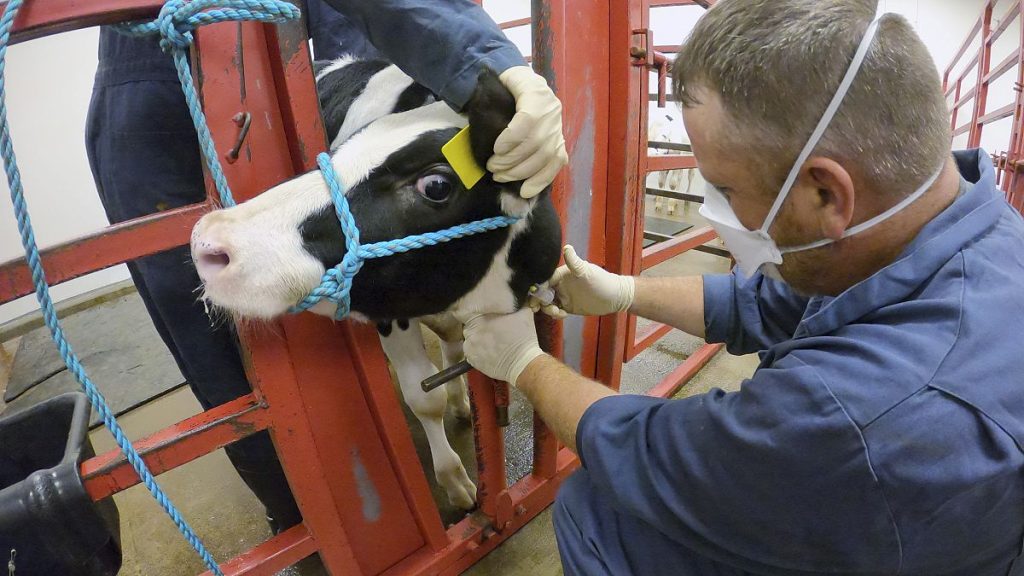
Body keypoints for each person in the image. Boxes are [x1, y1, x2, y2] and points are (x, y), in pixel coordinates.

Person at [460, 0, 1024, 574]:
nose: (715, 211)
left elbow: (646, 452)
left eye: (724, 188)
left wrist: (523, 361)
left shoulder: (857, 415)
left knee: (600, 508)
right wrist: (627, 291)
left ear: (826, 194)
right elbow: (774, 304)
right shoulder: (964, 227)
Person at [85, 0, 566, 536]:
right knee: (222, 336)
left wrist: (493, 64)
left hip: (341, 34)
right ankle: (302, 518)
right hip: (159, 65)